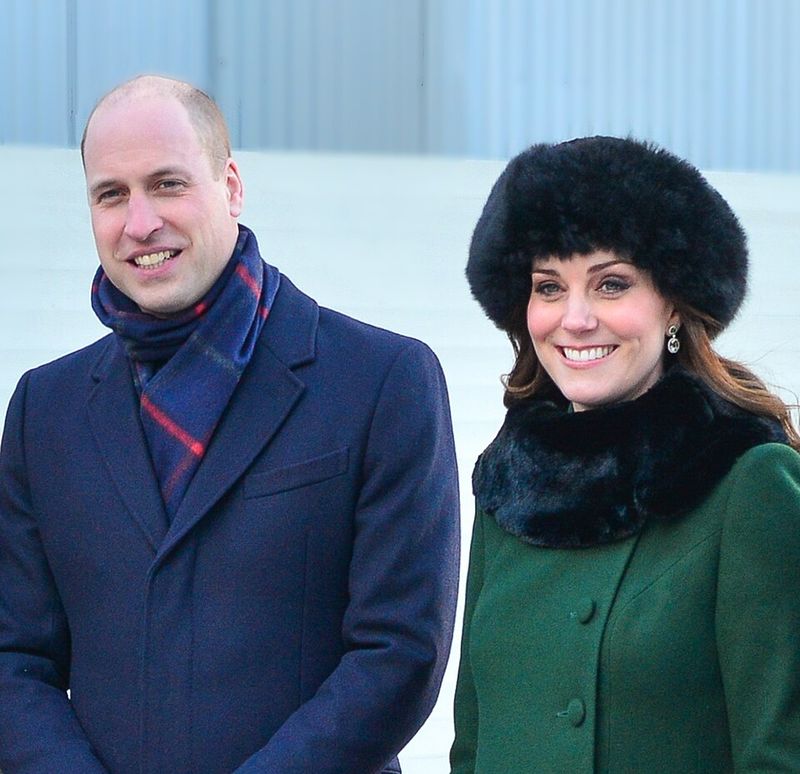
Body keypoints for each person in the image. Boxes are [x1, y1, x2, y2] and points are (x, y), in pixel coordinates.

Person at [0, 75, 460, 774]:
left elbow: (400, 654)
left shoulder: (382, 381)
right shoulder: (44, 410)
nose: (139, 222)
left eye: (167, 183)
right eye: (111, 194)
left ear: (232, 185)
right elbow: (15, 660)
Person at [450, 136, 800, 772]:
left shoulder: (749, 484)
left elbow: (781, 753)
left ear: (673, 303)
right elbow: (471, 747)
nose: (575, 319)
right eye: (549, 287)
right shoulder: (509, 486)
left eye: (611, 285)